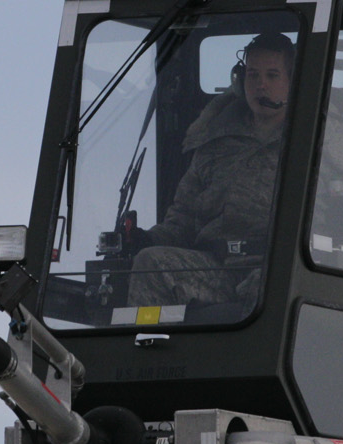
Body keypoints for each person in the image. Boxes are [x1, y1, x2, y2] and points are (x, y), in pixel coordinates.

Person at [126, 32, 296, 311]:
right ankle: (148, 350)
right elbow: (183, 219)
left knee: (275, 285)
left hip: (277, 268)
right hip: (218, 267)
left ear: (292, 81)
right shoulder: (214, 142)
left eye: (272, 75)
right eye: (253, 75)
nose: (260, 85)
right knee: (151, 265)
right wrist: (146, 239)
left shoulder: (320, 138)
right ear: (240, 81)